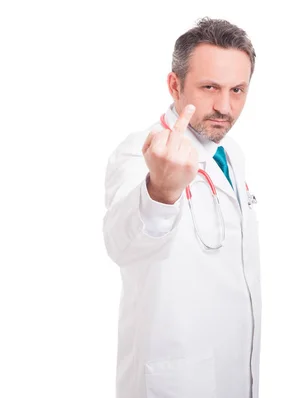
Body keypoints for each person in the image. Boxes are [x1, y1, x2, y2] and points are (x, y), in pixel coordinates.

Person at [103, 17, 261, 398]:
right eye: (209, 88)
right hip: (177, 377)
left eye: (237, 90)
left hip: (234, 368)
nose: (225, 106)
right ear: (175, 85)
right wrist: (160, 191)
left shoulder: (230, 153)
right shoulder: (140, 150)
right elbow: (120, 244)